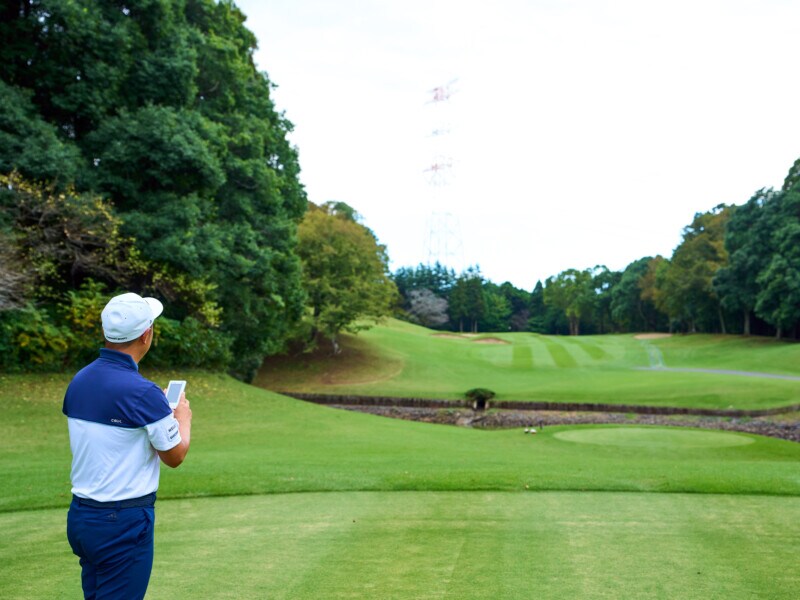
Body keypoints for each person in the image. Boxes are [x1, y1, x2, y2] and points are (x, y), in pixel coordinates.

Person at [63, 292, 193, 599]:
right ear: (146, 335)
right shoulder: (144, 393)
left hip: (82, 517)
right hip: (121, 522)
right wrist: (182, 418)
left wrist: (158, 412)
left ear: (106, 331)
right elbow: (175, 456)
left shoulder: (80, 380)